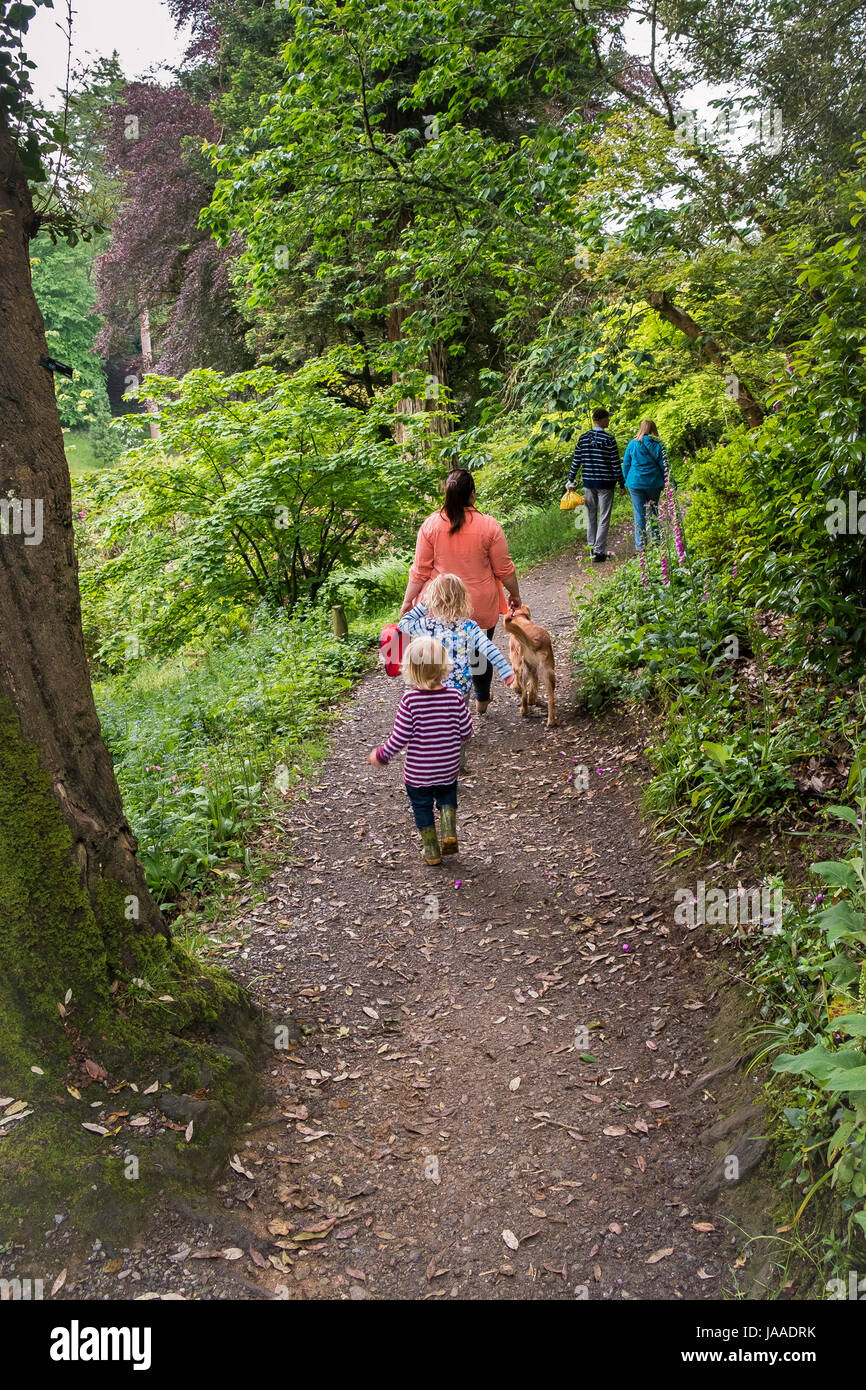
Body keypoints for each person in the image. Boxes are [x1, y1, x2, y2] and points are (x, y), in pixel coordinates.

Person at [400, 468, 521, 714]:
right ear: (473, 496)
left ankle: (434, 702)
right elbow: (504, 568)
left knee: (437, 652)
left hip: (438, 603)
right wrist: (515, 595)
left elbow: (420, 571)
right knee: (479, 650)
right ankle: (481, 699)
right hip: (478, 602)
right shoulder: (489, 526)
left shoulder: (431, 525)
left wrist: (408, 600)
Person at [367, 636, 472, 865]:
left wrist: (381, 755)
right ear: (444, 666)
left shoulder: (410, 701)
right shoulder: (454, 696)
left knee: (422, 807)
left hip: (418, 774)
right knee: (447, 796)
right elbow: (467, 730)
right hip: (448, 769)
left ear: (410, 670)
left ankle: (432, 850)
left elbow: (399, 738)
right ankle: (448, 829)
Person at [565, 407, 625, 562]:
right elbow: (615, 463)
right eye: (607, 418)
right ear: (600, 419)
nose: (609, 420)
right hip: (606, 483)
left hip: (589, 483)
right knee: (604, 516)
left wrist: (570, 480)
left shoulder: (583, 438)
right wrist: (621, 483)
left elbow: (576, 460)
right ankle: (599, 552)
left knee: (591, 515)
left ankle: (592, 548)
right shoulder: (609, 440)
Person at [622, 419, 669, 550]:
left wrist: (627, 480)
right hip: (653, 483)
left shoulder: (632, 444)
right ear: (654, 429)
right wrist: (670, 483)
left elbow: (626, 464)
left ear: (641, 428)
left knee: (639, 514)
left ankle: (641, 546)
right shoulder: (659, 445)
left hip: (635, 483)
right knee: (653, 511)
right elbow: (665, 465)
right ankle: (656, 542)